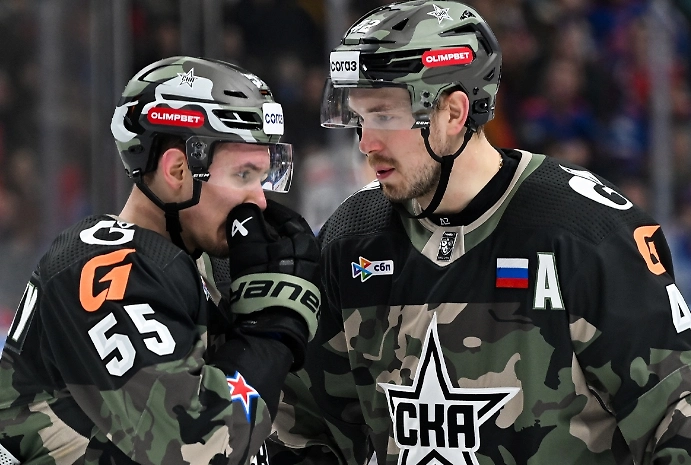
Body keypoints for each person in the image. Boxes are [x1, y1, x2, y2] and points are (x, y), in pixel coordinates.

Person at [268, 2, 691, 464]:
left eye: (385, 116)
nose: (366, 143)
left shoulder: (585, 233)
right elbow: (302, 427)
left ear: (453, 112)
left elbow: (677, 412)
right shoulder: (353, 237)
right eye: (360, 118)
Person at [0, 56, 320, 465]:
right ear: (178, 169)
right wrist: (271, 331)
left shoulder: (199, 264)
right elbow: (196, 447)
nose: (259, 200)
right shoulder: (102, 269)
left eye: (263, 176)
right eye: (243, 175)